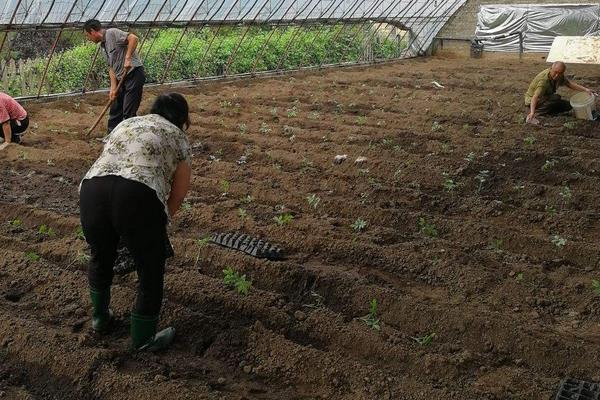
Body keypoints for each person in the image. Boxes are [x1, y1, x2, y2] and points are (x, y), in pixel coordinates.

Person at [79, 93, 192, 351]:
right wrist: (157, 226)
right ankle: (143, 338)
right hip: (138, 193)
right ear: (183, 118)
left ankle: (99, 319)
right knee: (150, 265)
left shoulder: (127, 123)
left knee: (100, 255)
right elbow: (178, 192)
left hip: (92, 189)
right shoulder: (177, 136)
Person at [83, 19, 146, 134]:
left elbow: (133, 38)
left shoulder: (112, 33)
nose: (89, 39)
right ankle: (111, 136)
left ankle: (130, 138)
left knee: (128, 111)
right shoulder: (103, 47)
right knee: (115, 108)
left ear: (92, 31)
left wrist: (127, 58)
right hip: (121, 78)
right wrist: (113, 88)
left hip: (134, 73)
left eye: (88, 36)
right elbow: (111, 68)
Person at [525, 61, 596, 124]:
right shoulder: (543, 81)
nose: (557, 75)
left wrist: (586, 90)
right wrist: (532, 113)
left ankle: (548, 110)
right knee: (556, 97)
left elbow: (569, 84)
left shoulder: (559, 76)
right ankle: (538, 113)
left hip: (545, 98)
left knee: (568, 106)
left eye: (560, 73)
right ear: (551, 69)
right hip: (532, 100)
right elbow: (535, 97)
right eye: (555, 72)